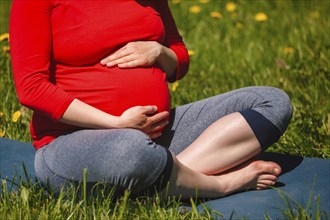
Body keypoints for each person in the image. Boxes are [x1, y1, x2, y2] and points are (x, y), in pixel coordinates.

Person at [10, 0, 292, 199]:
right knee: (131, 150)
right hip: (75, 143)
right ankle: (220, 186)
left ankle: (165, 178)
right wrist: (116, 124)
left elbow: (179, 58)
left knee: (271, 101)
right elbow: (31, 88)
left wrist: (159, 52)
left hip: (159, 132)